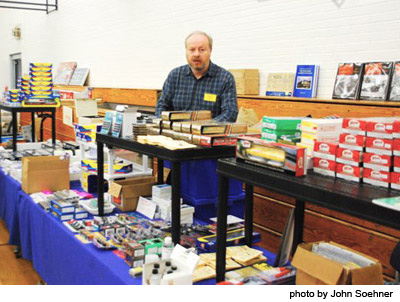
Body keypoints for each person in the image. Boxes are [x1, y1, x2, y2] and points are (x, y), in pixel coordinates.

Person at [155, 31, 238, 122]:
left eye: (202, 49)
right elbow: (161, 106)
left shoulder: (225, 78)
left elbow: (230, 113)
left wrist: (203, 128)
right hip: (176, 133)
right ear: (186, 51)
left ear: (210, 51)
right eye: (192, 49)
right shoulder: (175, 76)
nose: (196, 54)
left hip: (209, 134)